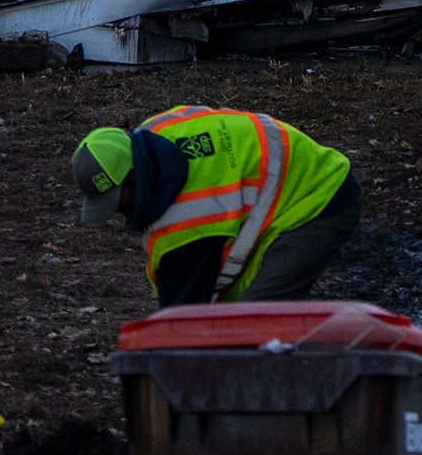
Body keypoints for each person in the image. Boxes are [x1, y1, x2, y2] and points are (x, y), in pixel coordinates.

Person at [72, 106, 359, 307]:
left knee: (251, 325)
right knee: (231, 311)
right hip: (287, 176)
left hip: (320, 196)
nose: (118, 214)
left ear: (134, 172)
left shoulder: (186, 224)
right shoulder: (157, 129)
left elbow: (183, 320)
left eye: (117, 201)